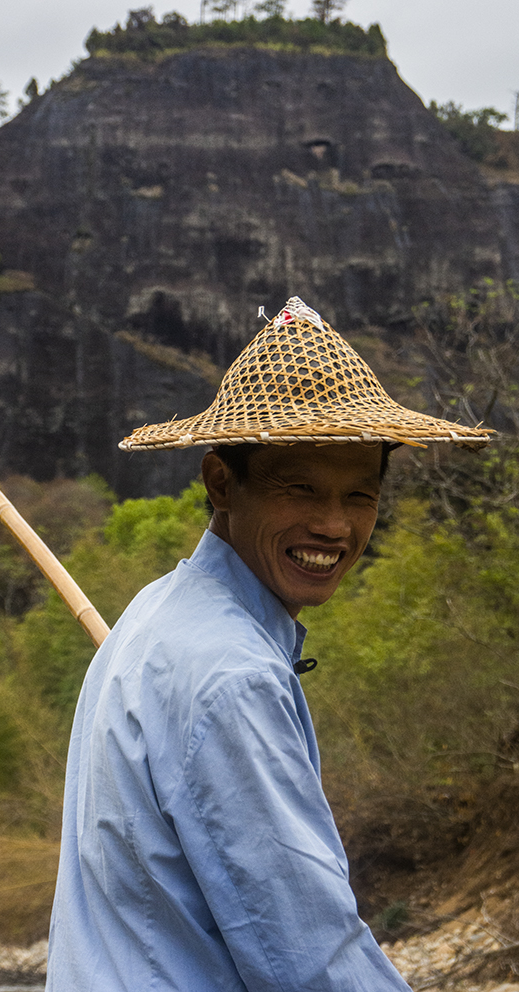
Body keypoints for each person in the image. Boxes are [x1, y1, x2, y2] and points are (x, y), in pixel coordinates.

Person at [46, 298, 491, 991]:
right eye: (301, 489)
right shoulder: (232, 676)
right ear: (222, 483)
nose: (334, 527)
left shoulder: (156, 611)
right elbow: (310, 961)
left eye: (359, 497)